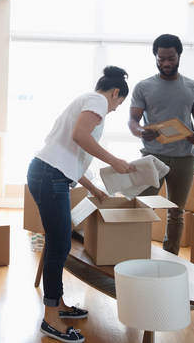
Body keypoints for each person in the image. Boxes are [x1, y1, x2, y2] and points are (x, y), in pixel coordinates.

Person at [27, 65, 136, 343]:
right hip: (50, 176)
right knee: (61, 245)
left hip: (48, 173)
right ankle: (50, 319)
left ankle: (58, 305)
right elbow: (80, 137)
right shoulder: (98, 100)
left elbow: (72, 155)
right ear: (114, 93)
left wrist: (94, 188)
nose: (113, 110)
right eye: (118, 104)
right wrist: (115, 161)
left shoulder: (86, 100)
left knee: (55, 242)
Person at [128, 34, 194, 256]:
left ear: (179, 56)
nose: (166, 63)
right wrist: (142, 133)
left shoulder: (193, 87)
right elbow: (133, 121)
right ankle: (138, 254)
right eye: (161, 58)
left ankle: (171, 257)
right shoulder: (143, 86)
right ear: (155, 57)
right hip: (152, 157)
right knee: (144, 208)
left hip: (184, 158)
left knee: (177, 212)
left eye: (171, 58)